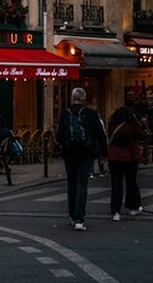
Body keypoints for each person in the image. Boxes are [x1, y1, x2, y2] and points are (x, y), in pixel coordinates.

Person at [56, 87, 108, 231]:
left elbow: (59, 135)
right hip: (86, 153)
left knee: (71, 184)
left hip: (69, 153)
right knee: (82, 184)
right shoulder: (90, 114)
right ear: (84, 98)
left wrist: (64, 145)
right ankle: (79, 218)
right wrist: (103, 153)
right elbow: (100, 134)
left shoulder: (65, 113)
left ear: (72, 98)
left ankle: (72, 215)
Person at [106, 106, 148, 222]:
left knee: (116, 184)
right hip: (129, 157)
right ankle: (133, 206)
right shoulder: (131, 125)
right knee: (131, 182)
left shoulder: (112, 124)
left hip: (114, 157)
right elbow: (142, 136)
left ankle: (116, 211)